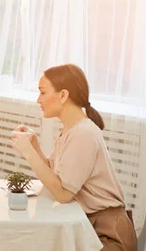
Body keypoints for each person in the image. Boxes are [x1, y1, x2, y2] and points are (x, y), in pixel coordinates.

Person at [11, 64, 136, 250]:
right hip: (89, 226)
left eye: (43, 93)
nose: (38, 99)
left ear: (63, 95)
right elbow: (55, 178)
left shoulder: (83, 133)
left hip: (108, 236)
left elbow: (63, 194)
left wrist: (28, 153)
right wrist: (34, 145)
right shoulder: (71, 130)